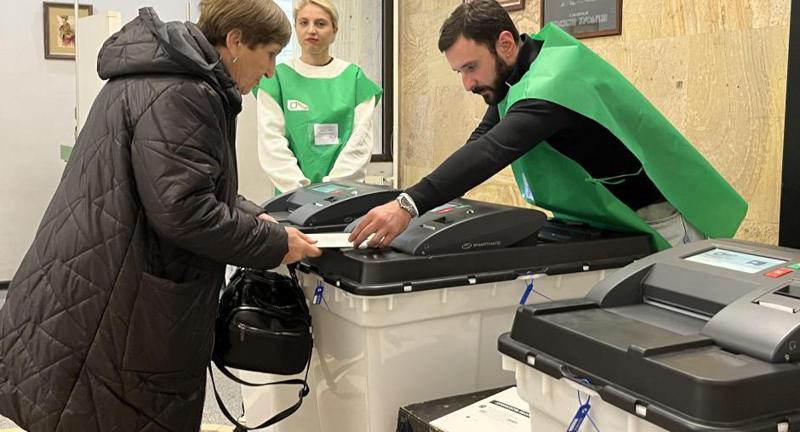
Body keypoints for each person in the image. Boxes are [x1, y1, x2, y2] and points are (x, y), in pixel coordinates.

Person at [0, 1, 320, 431]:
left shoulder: (161, 76)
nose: (270, 72)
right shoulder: (186, 90)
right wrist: (275, 245)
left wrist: (254, 216)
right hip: (119, 297)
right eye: (270, 55)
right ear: (237, 41)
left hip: (96, 275)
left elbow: (184, 183)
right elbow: (184, 211)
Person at [350, 0, 747, 251]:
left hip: (659, 222)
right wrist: (429, 201)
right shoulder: (522, 71)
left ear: (505, 43)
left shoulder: (553, 83)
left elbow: (492, 151)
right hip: (605, 219)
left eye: (471, 68)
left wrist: (408, 204)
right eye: (459, 71)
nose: (467, 84)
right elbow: (482, 139)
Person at [255, 0, 383, 194]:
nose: (311, 30)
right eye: (304, 23)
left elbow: (360, 141)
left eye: (321, 24)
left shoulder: (354, 77)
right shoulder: (276, 78)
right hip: (291, 196)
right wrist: (300, 191)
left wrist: (334, 190)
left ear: (334, 31)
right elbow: (272, 143)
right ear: (295, 28)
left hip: (342, 195)